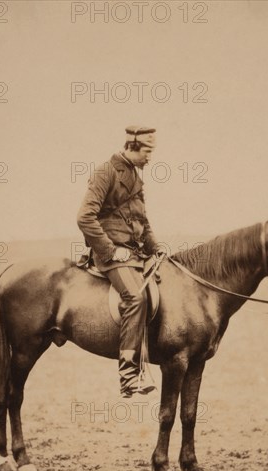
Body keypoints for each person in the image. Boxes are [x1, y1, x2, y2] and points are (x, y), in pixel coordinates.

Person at [77, 125, 160, 398]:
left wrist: (156, 249)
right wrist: (111, 251)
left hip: (135, 253)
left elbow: (143, 222)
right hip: (112, 256)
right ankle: (128, 374)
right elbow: (85, 217)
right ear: (133, 147)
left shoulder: (136, 177)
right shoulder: (106, 172)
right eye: (148, 150)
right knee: (135, 297)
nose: (151, 156)